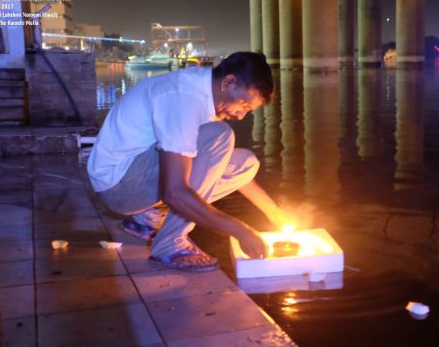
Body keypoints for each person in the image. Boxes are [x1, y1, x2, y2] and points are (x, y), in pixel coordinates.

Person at [87, 52, 294, 272]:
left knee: (246, 164)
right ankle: (170, 244)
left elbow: (216, 170)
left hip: (134, 176)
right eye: (243, 104)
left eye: (248, 111)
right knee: (219, 136)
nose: (241, 115)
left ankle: (144, 221)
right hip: (118, 186)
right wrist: (241, 231)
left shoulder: (201, 90)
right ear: (228, 82)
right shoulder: (183, 97)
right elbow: (173, 192)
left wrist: (273, 212)